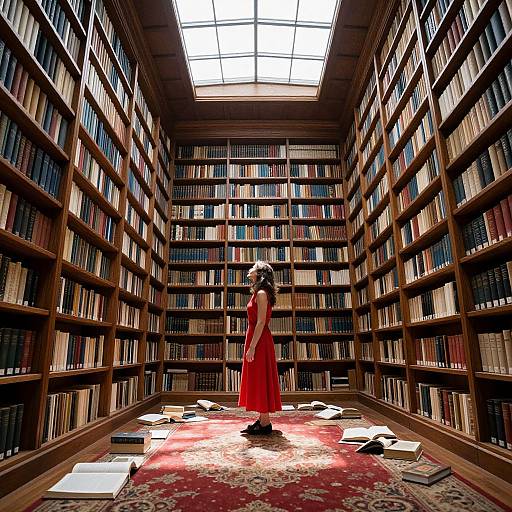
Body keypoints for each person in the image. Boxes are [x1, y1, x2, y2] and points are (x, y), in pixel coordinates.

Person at [238, 260, 282, 434]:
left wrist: (252, 347)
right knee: (257, 378)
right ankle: (264, 421)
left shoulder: (262, 293)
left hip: (260, 341)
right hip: (256, 338)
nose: (250, 269)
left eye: (253, 268)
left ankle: (265, 424)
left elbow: (261, 321)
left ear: (260, 274)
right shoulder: (257, 293)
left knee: (260, 377)